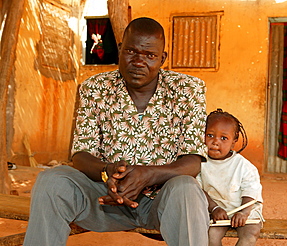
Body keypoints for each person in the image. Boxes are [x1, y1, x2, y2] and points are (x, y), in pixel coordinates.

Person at [23, 17, 209, 246]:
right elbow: (81, 155)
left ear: (162, 58)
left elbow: (191, 163)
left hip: (162, 202)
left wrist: (147, 175)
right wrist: (107, 171)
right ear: (120, 50)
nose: (139, 61)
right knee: (51, 181)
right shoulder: (95, 88)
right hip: (104, 198)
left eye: (149, 55)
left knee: (187, 189)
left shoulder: (188, 89)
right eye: (131, 51)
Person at [196, 109, 264, 246]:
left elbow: (251, 191)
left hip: (246, 212)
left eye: (223, 138)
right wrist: (214, 208)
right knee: (210, 236)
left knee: (250, 236)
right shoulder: (199, 163)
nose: (215, 142)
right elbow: (197, 189)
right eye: (210, 135)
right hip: (217, 212)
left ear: (233, 142)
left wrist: (243, 212)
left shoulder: (244, 166)